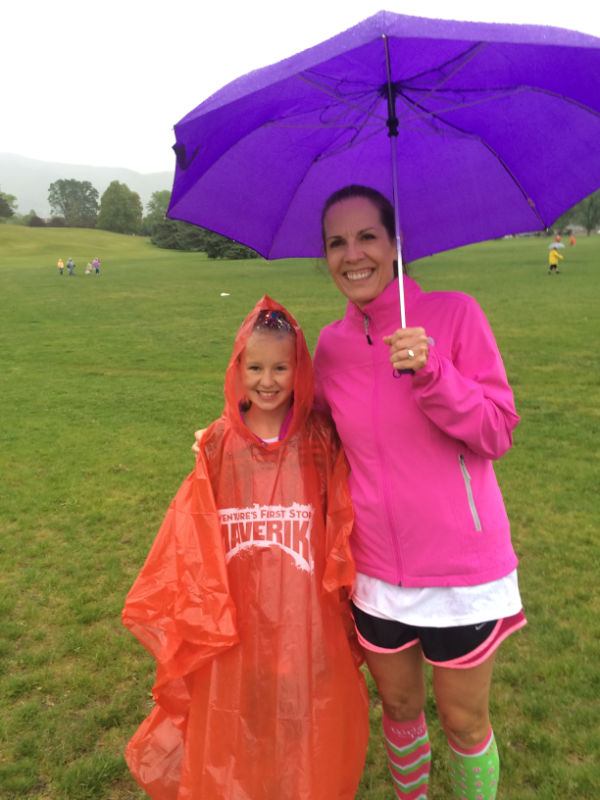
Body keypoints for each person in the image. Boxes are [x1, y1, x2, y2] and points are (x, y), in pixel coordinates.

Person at [311, 185, 526, 800]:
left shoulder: (456, 314)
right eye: (336, 242)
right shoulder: (332, 347)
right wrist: (235, 433)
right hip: (376, 571)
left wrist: (435, 375)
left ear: (396, 244)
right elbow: (318, 437)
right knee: (400, 713)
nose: (353, 255)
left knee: (463, 721)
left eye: (368, 237)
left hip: (462, 572)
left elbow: (497, 431)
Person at [123, 297, 369, 800]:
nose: (268, 380)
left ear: (300, 370)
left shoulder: (319, 440)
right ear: (237, 368)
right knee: (241, 711)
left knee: (304, 709)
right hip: (236, 621)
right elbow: (192, 535)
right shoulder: (216, 445)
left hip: (306, 623)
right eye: (255, 367)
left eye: (281, 367)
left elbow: (341, 521)